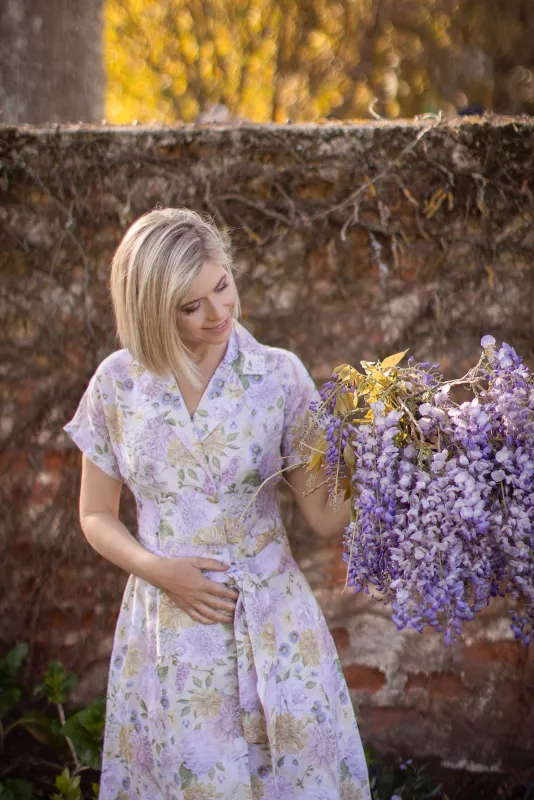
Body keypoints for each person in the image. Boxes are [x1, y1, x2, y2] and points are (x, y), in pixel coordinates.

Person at [64, 208, 370, 800]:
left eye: (223, 285)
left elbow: (325, 516)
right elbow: (95, 514)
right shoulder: (118, 385)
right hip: (173, 631)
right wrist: (160, 571)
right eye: (191, 306)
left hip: (276, 625)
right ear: (151, 309)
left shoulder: (279, 378)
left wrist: (381, 457)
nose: (219, 312)